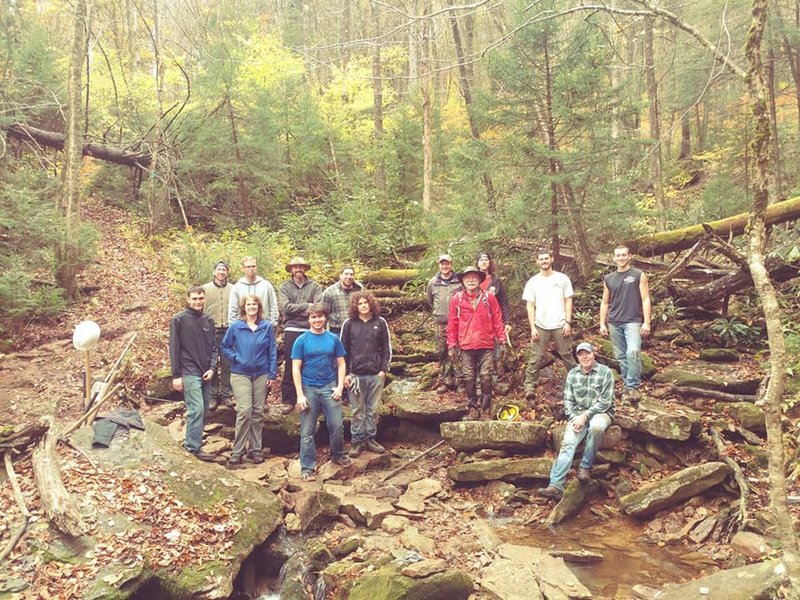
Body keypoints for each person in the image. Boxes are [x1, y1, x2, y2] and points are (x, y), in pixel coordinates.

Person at [538, 342, 614, 501]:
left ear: (594, 354)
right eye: (581, 354)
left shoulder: (605, 372)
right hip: (577, 416)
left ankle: (585, 467)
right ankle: (555, 485)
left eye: (587, 353)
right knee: (568, 442)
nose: (585, 357)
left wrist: (585, 416)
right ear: (577, 357)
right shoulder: (573, 374)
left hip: (600, 412)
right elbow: (568, 401)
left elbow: (605, 402)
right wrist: (574, 418)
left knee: (596, 427)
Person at [292, 304, 353, 481]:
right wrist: (299, 395)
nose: (317, 320)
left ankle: (337, 454)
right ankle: (307, 467)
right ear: (308, 319)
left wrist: (340, 386)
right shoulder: (301, 340)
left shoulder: (333, 339)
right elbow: (296, 368)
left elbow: (341, 363)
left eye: (320, 317)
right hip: (309, 389)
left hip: (329, 387)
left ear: (325, 318)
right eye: (313, 317)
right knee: (307, 430)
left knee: (336, 425)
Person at [220, 294, 277, 465]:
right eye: (248, 304)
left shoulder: (266, 327)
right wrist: (235, 357)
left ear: (259, 308)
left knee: (258, 412)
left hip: (261, 373)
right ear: (243, 307)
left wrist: (272, 374)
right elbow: (224, 346)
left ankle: (255, 449)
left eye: (254, 304)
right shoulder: (236, 327)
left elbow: (272, 351)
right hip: (240, 373)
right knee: (245, 410)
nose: (251, 307)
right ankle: (237, 451)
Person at [447, 266, 505, 420]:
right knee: (469, 378)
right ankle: (472, 408)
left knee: (486, 377)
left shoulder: (489, 297)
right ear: (463, 281)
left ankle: (486, 410)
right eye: (467, 278)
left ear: (480, 280)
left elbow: (497, 319)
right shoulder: (457, 299)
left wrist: (502, 339)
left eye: (474, 277)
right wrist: (451, 345)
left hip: (486, 344)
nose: (471, 280)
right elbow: (452, 324)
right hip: (465, 346)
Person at [340, 291, 392, 457]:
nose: (363, 306)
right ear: (355, 306)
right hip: (355, 374)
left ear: (371, 304)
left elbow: (387, 347)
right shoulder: (349, 324)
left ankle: (370, 438)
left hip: (376, 374)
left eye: (365, 303)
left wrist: (383, 370)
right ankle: (357, 441)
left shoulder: (380, 322)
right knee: (357, 410)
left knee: (372, 409)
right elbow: (343, 351)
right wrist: (346, 374)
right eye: (359, 303)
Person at [521, 250, 577, 406]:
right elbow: (530, 306)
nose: (544, 261)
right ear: (537, 262)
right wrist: (532, 327)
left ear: (551, 259)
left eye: (547, 258)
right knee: (536, 357)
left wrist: (568, 321)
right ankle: (530, 387)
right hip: (540, 324)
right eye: (541, 259)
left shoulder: (562, 279)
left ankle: (578, 382)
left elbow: (568, 301)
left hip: (560, 323)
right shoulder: (533, 282)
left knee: (567, 354)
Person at [169, 285, 218, 461]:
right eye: (194, 299)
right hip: (188, 371)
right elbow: (174, 348)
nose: (198, 302)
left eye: (200, 298)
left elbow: (214, 348)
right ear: (188, 300)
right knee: (196, 408)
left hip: (206, 371)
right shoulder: (178, 320)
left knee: (204, 410)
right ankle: (192, 449)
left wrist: (212, 368)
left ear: (204, 299)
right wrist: (176, 375)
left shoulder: (208, 321)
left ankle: (195, 443)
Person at [599, 245, 652, 402]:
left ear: (629, 256)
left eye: (624, 255)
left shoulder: (638, 275)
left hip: (633, 321)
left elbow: (646, 299)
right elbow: (604, 302)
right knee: (621, 356)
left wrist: (647, 322)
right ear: (614, 258)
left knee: (633, 352)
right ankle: (628, 385)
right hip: (614, 322)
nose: (621, 258)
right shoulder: (609, 279)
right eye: (618, 256)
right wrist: (602, 323)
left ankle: (632, 386)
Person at [278, 257, 323, 415]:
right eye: (295, 267)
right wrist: (306, 306)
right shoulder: (284, 287)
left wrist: (303, 309)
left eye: (301, 267)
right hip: (292, 328)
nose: (298, 269)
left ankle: (311, 396)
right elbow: (285, 307)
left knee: (312, 362)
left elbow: (318, 307)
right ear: (291, 269)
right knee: (291, 362)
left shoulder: (315, 286)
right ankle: (288, 399)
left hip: (311, 327)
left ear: (305, 269)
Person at [426, 254, 462, 394]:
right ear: (439, 265)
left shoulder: (459, 282)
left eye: (447, 264)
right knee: (442, 352)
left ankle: (459, 381)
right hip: (440, 323)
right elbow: (430, 300)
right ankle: (446, 381)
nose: (445, 266)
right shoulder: (433, 282)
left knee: (458, 351)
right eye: (442, 264)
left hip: (457, 323)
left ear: (451, 265)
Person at [203, 261, 234, 410]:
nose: (221, 272)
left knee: (228, 363)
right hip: (210, 329)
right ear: (214, 272)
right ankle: (213, 395)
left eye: (224, 269)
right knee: (212, 364)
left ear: (227, 272)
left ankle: (227, 395)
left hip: (228, 330)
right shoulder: (205, 289)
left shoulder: (233, 289)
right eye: (219, 269)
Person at [228, 256, 279, 327]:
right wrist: (235, 328)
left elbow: (273, 307)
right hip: (243, 328)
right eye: (248, 267)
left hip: (263, 327)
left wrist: (272, 325)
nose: (251, 269)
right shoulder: (237, 287)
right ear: (243, 269)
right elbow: (233, 310)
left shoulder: (266, 285)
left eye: (253, 266)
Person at [321, 266, 363, 336]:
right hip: (337, 330)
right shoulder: (329, 292)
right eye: (346, 274)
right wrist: (322, 334)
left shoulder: (359, 290)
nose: (349, 277)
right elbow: (324, 314)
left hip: (356, 328)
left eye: (351, 274)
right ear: (340, 276)